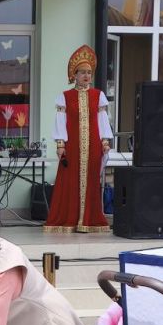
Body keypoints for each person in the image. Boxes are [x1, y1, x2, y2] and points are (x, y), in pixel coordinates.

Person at [44, 45, 112, 233]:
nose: (86, 76)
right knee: (70, 181)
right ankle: (70, 219)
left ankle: (89, 220)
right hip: (72, 146)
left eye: (89, 72)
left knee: (92, 181)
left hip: (93, 146)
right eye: (82, 72)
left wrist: (105, 141)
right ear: (74, 74)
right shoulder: (65, 97)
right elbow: (60, 121)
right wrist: (60, 144)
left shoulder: (98, 95)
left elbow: (102, 120)